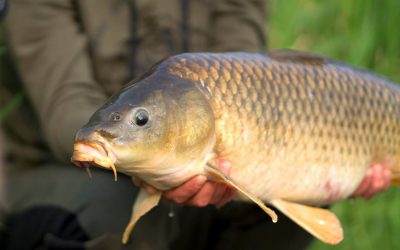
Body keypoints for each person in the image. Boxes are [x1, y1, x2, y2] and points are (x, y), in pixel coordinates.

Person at [0, 0, 392, 249]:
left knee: (273, 207)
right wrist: (148, 158)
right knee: (119, 218)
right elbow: (66, 106)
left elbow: (244, 70)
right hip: (51, 172)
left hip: (196, 140)